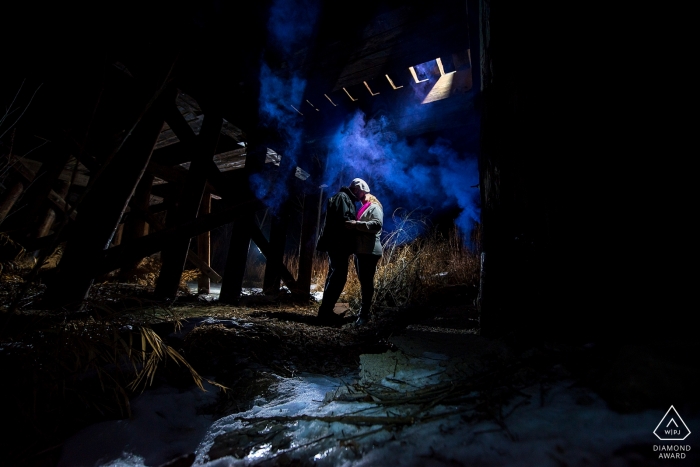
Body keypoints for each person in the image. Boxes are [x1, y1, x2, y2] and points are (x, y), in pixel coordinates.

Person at [315, 183, 358, 324]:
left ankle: (326, 311)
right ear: (356, 190)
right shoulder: (343, 197)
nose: (362, 196)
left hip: (337, 243)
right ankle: (326, 312)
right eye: (362, 192)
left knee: (335, 276)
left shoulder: (344, 198)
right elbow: (343, 220)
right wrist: (357, 225)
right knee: (338, 277)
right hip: (338, 243)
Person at [346, 178, 383, 326]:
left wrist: (356, 225)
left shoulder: (374, 207)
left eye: (355, 190)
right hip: (362, 250)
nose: (354, 193)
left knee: (366, 283)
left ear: (362, 190)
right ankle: (364, 312)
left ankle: (364, 315)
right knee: (364, 283)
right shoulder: (364, 206)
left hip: (369, 251)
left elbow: (376, 225)